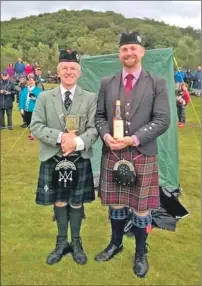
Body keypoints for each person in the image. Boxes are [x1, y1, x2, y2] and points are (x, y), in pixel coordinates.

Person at [94, 32, 171, 278]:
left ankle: (140, 252)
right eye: (124, 49)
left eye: (133, 49)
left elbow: (163, 119)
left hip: (141, 152)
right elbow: (99, 117)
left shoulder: (156, 82)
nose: (129, 53)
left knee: (140, 207)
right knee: (116, 203)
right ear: (119, 53)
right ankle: (115, 243)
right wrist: (106, 136)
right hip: (113, 152)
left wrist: (133, 138)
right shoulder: (107, 82)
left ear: (142, 52)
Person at [30, 49, 98, 266]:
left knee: (76, 202)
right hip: (53, 157)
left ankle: (76, 242)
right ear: (58, 72)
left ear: (79, 72)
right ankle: (61, 242)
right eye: (65, 68)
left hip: (79, 158)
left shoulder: (89, 98)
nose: (69, 72)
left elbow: (94, 128)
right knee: (59, 200)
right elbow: (36, 126)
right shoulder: (43, 97)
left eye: (73, 68)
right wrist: (61, 138)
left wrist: (76, 142)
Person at [19, 74, 42, 139]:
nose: (31, 82)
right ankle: (32, 132)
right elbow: (22, 99)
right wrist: (21, 108)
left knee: (34, 123)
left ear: (35, 81)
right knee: (28, 122)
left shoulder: (38, 90)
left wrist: (35, 98)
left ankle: (33, 135)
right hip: (26, 110)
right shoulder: (25, 90)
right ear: (27, 82)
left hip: (34, 110)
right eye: (29, 80)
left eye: (32, 80)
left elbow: (41, 100)